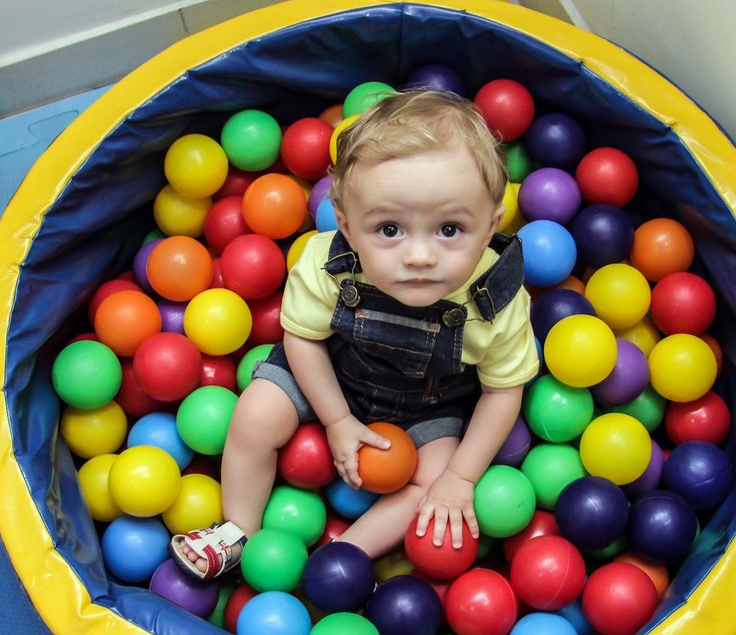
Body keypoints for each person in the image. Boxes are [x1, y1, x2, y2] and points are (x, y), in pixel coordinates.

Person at [170, 90, 539, 579]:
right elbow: (302, 339)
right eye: (389, 229)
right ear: (346, 225)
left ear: (492, 225)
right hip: (332, 370)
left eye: (450, 230)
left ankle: (339, 563)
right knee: (255, 415)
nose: (420, 256)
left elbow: (501, 391)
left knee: (434, 485)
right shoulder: (328, 263)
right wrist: (337, 419)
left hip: (430, 404)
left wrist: (460, 477)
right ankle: (238, 532)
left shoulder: (498, 299)